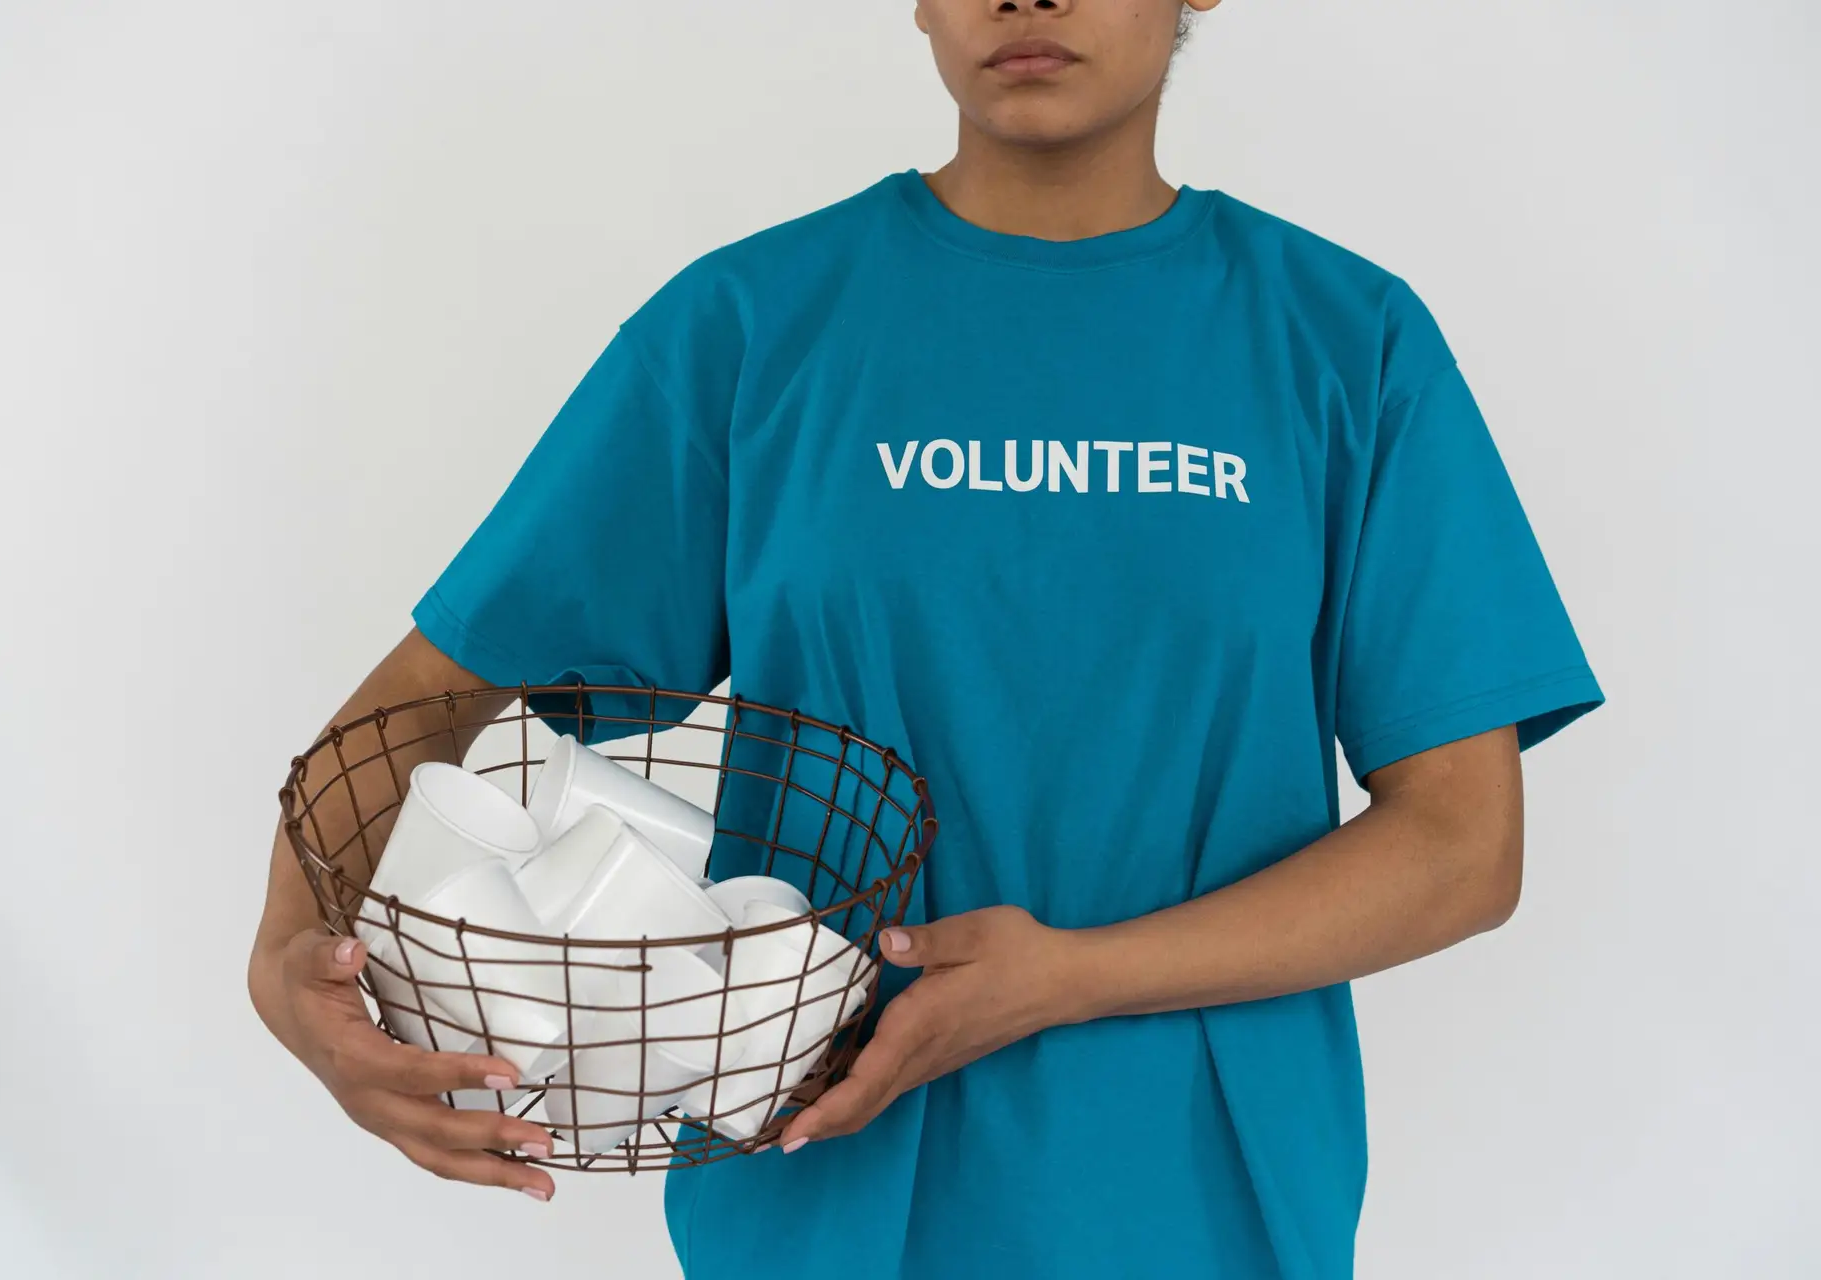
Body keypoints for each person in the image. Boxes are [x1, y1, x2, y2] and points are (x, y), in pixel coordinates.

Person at [248, 1, 1603, 1276]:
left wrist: (1067, 979)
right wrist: (286, 966)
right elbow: (434, 701)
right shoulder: (751, 327)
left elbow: (1460, 847)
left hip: (1205, 1195)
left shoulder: (1344, 341)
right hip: (826, 1189)